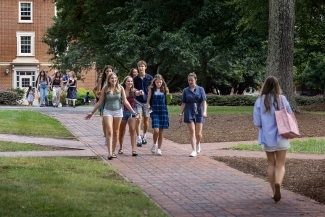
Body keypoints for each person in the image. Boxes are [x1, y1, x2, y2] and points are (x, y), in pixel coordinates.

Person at [253, 76, 292, 203]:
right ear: (277, 86)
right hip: (281, 135)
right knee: (280, 164)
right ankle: (278, 184)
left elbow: (257, 122)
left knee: (271, 164)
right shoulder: (282, 99)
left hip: (267, 137)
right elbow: (290, 114)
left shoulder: (259, 101)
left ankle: (274, 192)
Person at [85, 73, 138, 160]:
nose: (114, 80)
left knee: (116, 132)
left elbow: (125, 101)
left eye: (115, 78)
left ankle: (113, 151)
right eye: (112, 78)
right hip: (108, 111)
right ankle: (109, 153)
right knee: (109, 131)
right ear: (109, 80)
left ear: (117, 79)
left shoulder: (120, 88)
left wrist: (133, 112)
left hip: (118, 112)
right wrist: (92, 112)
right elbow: (100, 102)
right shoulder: (105, 88)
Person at [179, 73, 207, 157]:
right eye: (189, 80)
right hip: (189, 111)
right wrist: (181, 114)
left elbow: (204, 102)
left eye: (192, 80)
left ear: (196, 80)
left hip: (199, 111)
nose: (190, 82)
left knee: (198, 134)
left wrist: (204, 111)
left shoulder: (200, 89)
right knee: (192, 131)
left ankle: (198, 143)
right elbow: (183, 103)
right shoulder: (185, 90)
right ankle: (193, 150)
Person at [118, 76, 144, 156]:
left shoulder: (133, 91)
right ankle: (121, 148)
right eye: (128, 81)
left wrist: (140, 92)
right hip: (122, 112)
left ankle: (133, 150)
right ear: (125, 82)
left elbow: (137, 92)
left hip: (132, 111)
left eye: (131, 81)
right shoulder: (120, 90)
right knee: (122, 131)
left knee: (132, 130)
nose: (130, 83)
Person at [147, 74, 169, 156]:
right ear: (154, 82)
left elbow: (167, 101)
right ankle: (154, 144)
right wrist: (149, 109)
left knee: (161, 131)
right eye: (157, 82)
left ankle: (159, 149)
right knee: (156, 130)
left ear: (162, 82)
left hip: (163, 111)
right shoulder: (151, 90)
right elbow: (148, 101)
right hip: (155, 112)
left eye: (160, 82)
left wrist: (169, 98)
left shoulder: (165, 90)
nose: (159, 84)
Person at [133, 60, 153, 147]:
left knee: (146, 120)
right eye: (139, 66)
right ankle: (138, 138)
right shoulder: (135, 79)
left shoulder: (149, 78)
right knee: (138, 119)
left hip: (147, 102)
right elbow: (132, 89)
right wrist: (136, 91)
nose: (141, 68)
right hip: (138, 101)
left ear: (145, 67)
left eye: (142, 66)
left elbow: (153, 89)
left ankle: (144, 135)